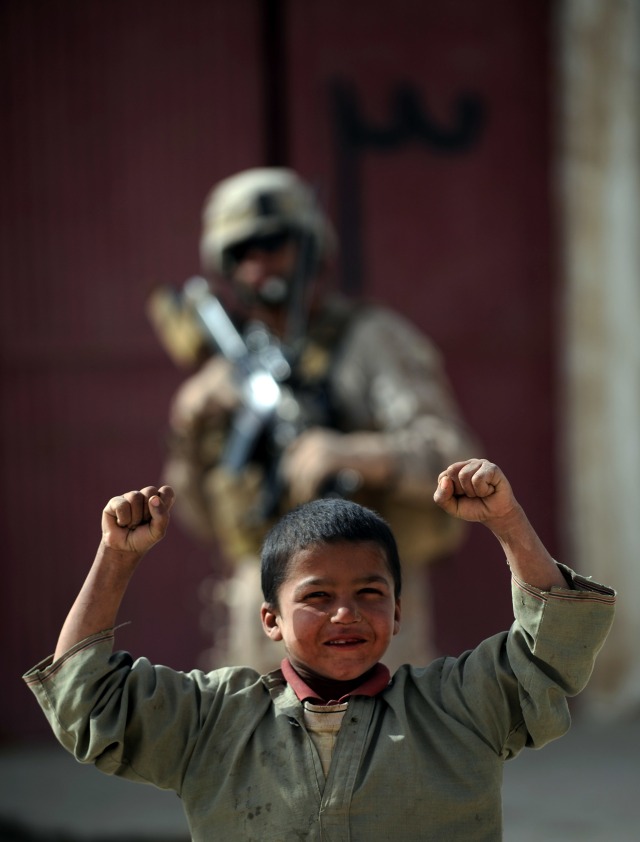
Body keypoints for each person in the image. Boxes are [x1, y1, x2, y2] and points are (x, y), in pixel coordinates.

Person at [23, 458, 615, 841]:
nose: (345, 613)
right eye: (317, 596)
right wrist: (116, 557)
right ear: (270, 620)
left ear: (397, 611)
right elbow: (86, 702)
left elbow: (552, 650)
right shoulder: (214, 722)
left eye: (368, 592)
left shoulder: (459, 708)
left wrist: (507, 521)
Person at [150, 166, 478, 671]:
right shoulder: (226, 375)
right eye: (241, 253)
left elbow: (452, 454)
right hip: (261, 613)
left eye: (274, 243)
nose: (260, 264)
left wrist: (355, 454)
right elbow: (197, 515)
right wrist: (187, 428)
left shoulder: (372, 341)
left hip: (364, 607)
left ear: (311, 249)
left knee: (383, 744)